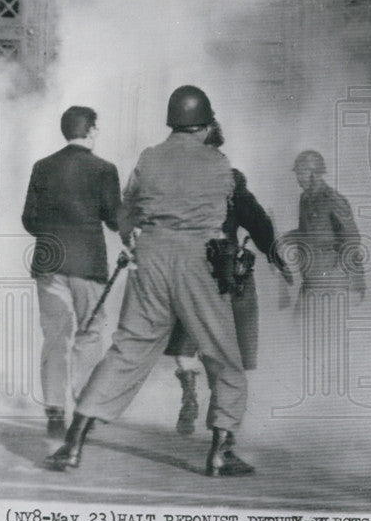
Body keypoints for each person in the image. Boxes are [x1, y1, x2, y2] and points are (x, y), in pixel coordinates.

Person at [44, 85, 253, 477]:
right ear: (204, 124)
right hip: (198, 262)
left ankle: (72, 444)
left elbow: (128, 212)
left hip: (150, 259)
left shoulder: (150, 157)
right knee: (222, 354)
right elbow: (223, 208)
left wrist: (133, 239)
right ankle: (221, 452)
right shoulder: (219, 163)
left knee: (127, 350)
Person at [165, 121, 292, 435]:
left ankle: (190, 393)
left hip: (191, 272)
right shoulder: (231, 179)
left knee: (185, 347)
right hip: (226, 274)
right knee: (227, 352)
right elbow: (259, 224)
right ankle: (221, 438)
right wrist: (276, 258)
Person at [21, 106, 121, 439]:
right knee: (89, 336)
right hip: (88, 267)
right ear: (91, 130)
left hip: (49, 265)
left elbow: (29, 220)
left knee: (54, 339)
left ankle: (53, 413)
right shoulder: (104, 169)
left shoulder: (42, 167)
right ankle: (84, 411)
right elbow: (113, 217)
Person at [283, 150, 365, 307]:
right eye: (297, 174)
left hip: (332, 281)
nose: (298, 179)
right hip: (312, 276)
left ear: (315, 173)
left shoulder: (332, 199)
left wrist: (340, 273)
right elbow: (308, 233)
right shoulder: (305, 199)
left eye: (302, 173)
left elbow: (352, 239)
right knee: (300, 324)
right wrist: (287, 237)